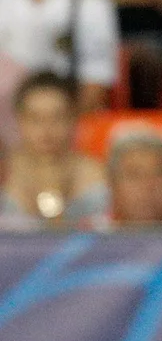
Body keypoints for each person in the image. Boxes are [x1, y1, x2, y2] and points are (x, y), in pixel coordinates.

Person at [0, 71, 106, 228]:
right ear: (20, 121)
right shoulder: (4, 172)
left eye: (57, 117)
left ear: (72, 118)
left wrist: (52, 194)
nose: (46, 130)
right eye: (35, 119)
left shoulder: (99, 175)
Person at [103, 131, 162, 228]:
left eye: (159, 174)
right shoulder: (84, 237)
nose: (148, 185)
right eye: (135, 175)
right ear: (112, 184)